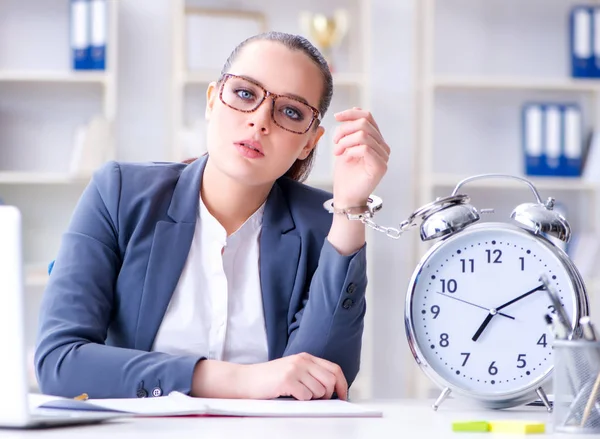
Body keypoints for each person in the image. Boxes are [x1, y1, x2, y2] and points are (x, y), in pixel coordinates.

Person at [34, 31, 390, 401]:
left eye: (290, 111)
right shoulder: (119, 193)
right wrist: (242, 380)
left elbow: (323, 382)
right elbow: (60, 362)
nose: (259, 121)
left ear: (308, 143)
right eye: (245, 93)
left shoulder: (323, 224)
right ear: (211, 101)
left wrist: (351, 208)